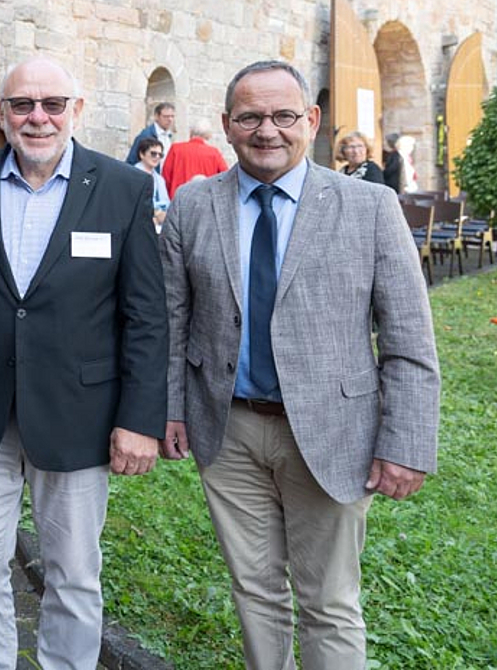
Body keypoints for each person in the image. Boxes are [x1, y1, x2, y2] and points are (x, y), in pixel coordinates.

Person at [160, 60, 440, 670]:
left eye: (284, 116)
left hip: (334, 431)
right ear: (227, 125)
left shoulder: (369, 207)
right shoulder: (192, 206)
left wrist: (407, 442)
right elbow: (172, 320)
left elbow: (408, 337)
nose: (268, 131)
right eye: (251, 117)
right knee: (254, 592)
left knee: (329, 603)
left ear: (310, 121)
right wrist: (171, 407)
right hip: (227, 433)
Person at [0, 57, 168, 670]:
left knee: (75, 575)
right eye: (22, 105)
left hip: (80, 413)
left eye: (52, 104)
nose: (37, 117)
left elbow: (146, 316)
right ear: (1, 115)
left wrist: (140, 418)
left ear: (75, 111)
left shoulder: (121, 188)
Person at [160, 119, 228, 197]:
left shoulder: (176, 149)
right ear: (208, 136)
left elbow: (166, 178)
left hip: (178, 198)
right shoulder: (214, 153)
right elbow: (225, 178)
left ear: (191, 132)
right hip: (205, 200)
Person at [134, 135, 170, 227]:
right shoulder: (132, 175)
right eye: (153, 153)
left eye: (160, 155)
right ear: (142, 154)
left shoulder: (160, 179)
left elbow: (166, 203)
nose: (157, 157)